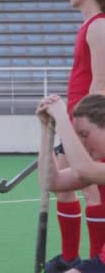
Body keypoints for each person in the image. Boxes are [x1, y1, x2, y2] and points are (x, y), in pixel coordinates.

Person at [44, 0, 105, 272]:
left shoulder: (99, 26)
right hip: (78, 122)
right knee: (66, 186)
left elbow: (100, 82)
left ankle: (94, 260)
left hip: (88, 124)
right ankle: (71, 258)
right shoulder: (89, 25)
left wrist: (85, 128)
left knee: (90, 187)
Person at [37, 94, 105, 272]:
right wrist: (47, 129)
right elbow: (51, 182)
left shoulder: (92, 169)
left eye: (84, 134)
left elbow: (84, 170)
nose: (80, 144)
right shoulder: (100, 164)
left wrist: (62, 118)